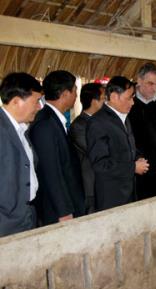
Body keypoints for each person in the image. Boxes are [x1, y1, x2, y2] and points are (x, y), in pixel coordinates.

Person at [29, 70, 85, 225]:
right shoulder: (46, 124)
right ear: (65, 94)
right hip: (57, 210)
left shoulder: (54, 120)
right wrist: (64, 210)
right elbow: (51, 171)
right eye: (75, 90)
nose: (76, 95)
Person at [87, 76, 149, 211]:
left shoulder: (124, 117)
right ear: (114, 97)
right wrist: (132, 167)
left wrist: (138, 157)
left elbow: (127, 147)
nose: (133, 102)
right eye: (129, 98)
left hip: (129, 191)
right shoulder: (98, 122)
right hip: (112, 196)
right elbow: (100, 164)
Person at [0, 72, 42, 236]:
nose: (39, 107)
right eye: (36, 101)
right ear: (16, 101)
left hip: (27, 216)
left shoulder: (22, 129)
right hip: (6, 225)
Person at [128, 63, 156, 200]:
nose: (155, 88)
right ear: (139, 81)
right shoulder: (129, 103)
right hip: (134, 169)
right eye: (150, 83)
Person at [69, 83, 105, 214]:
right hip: (90, 186)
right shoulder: (78, 125)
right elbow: (96, 151)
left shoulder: (102, 121)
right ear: (94, 101)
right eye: (103, 99)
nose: (105, 103)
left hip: (103, 184)